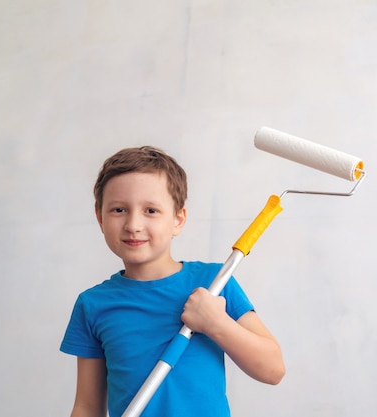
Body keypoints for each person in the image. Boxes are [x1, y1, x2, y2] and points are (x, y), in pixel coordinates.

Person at [60, 146, 285, 417]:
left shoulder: (214, 283)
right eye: (119, 209)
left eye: (151, 211)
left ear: (178, 220)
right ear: (100, 218)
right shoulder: (93, 304)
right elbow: (87, 406)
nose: (133, 224)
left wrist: (217, 323)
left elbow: (273, 369)